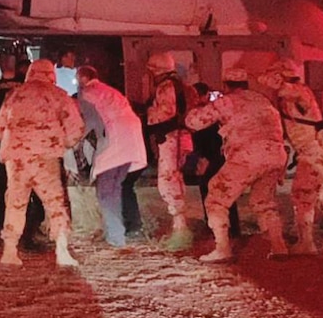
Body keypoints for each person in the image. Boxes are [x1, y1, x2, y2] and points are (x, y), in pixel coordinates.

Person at [184, 66, 289, 263]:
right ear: (246, 84)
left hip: (248, 155)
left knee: (215, 197)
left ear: (226, 85)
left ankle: (222, 248)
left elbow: (194, 122)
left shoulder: (228, 101)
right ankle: (279, 245)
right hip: (276, 155)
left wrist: (194, 104)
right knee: (264, 202)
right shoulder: (262, 100)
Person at [0, 58, 85, 268]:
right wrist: (62, 143)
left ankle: (10, 251)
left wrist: (18, 142)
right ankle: (61, 250)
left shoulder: (14, 94)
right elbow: (76, 128)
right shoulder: (58, 95)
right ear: (51, 75)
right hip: (45, 156)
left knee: (16, 202)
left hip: (16, 158)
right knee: (54, 202)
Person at [258, 58, 323, 254]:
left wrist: (263, 76)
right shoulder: (299, 91)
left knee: (302, 195)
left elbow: (277, 86)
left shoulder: (296, 90)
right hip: (319, 150)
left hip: (313, 152)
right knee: (322, 192)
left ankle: (306, 242)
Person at [76, 66, 147, 248]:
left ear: (83, 78)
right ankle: (118, 231)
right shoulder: (110, 91)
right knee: (116, 188)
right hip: (131, 140)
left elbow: (90, 121)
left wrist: (75, 140)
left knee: (106, 193)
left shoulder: (87, 93)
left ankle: (116, 237)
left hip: (114, 142)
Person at [0, 61, 46, 245]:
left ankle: (4, 234)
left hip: (3, 152)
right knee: (26, 194)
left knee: (1, 194)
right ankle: (27, 234)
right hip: (25, 153)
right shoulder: (24, 94)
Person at [145, 51, 195, 248]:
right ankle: (180, 226)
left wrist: (147, 113)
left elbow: (165, 114)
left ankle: (180, 230)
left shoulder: (166, 86)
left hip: (172, 138)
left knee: (168, 181)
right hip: (181, 137)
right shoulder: (181, 85)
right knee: (175, 179)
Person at [190, 82, 241, 238]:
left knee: (216, 192)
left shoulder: (208, 113)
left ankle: (223, 229)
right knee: (218, 192)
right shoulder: (209, 111)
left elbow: (212, 139)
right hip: (213, 156)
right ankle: (227, 227)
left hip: (214, 157)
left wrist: (206, 159)